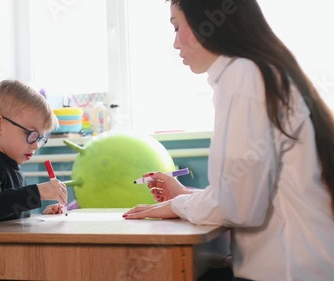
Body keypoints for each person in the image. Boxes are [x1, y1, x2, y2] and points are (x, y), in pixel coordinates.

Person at [123, 1, 334, 280]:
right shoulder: (260, 72)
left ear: (207, 21)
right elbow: (247, 195)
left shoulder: (242, 76)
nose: (175, 44)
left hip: (290, 269)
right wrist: (186, 196)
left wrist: (176, 206)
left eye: (177, 27)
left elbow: (239, 208)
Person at [0, 80, 68, 227]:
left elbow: (11, 217)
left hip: (7, 249)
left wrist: (43, 216)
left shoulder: (13, 169)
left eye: (40, 138)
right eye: (31, 134)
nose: (36, 145)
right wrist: (37, 192)